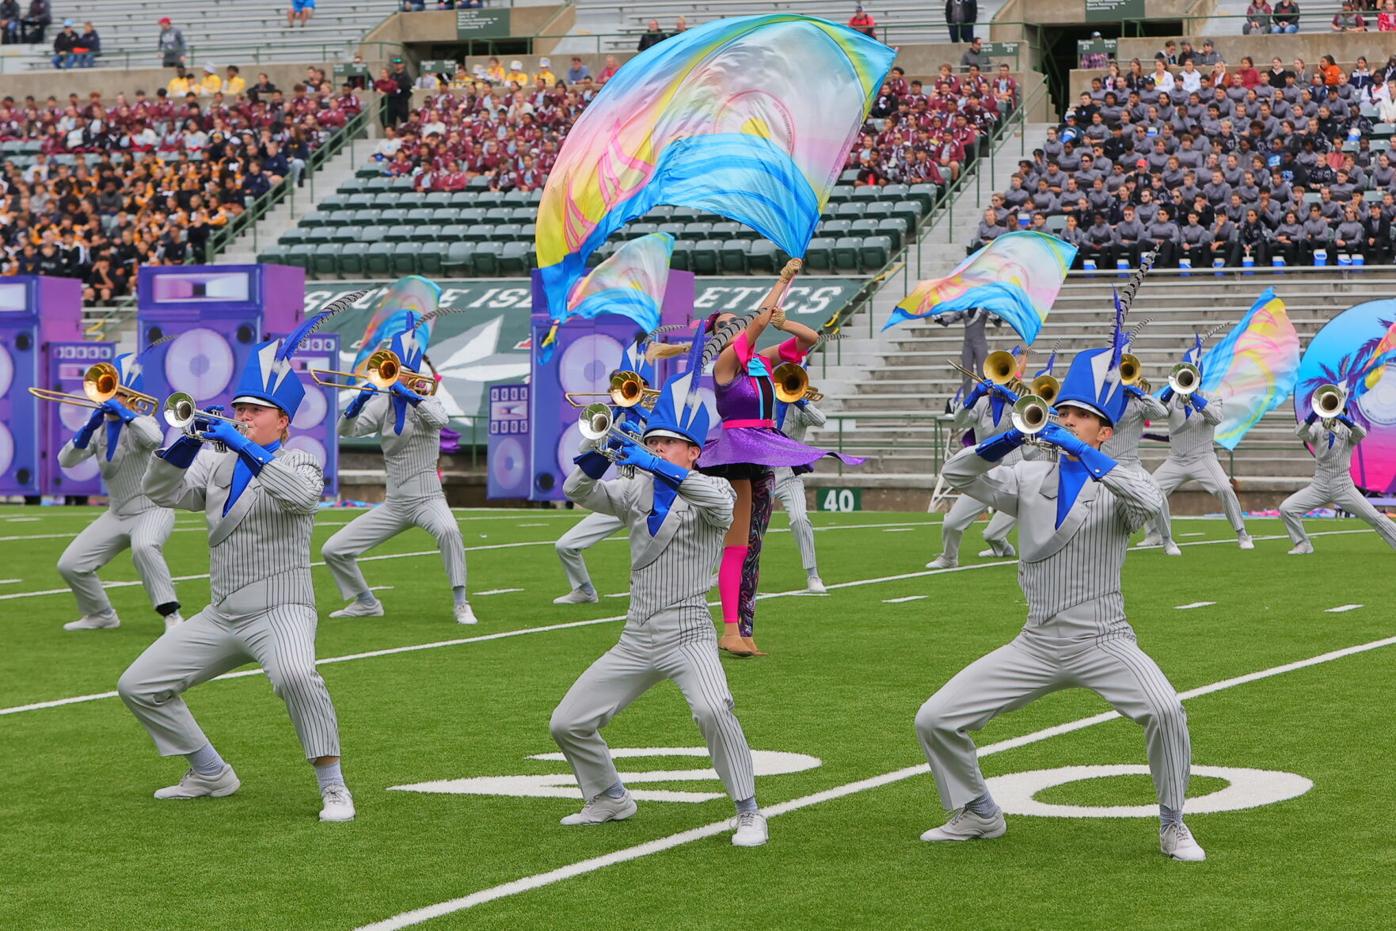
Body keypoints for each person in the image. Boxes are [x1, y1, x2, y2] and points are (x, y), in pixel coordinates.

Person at [915, 338, 1203, 862]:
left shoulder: (1125, 478)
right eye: (1062, 413)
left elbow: (1151, 504)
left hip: (1104, 639)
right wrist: (1009, 438)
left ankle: (1172, 822)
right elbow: (956, 475)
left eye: (1080, 416)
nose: (1066, 420)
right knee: (934, 719)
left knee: (1166, 711)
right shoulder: (1026, 476)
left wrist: (1084, 454)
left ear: (1106, 430)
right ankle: (978, 811)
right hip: (1037, 642)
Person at [116, 315, 354, 822]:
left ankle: (334, 787)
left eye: (255, 411)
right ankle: (209, 771)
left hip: (282, 608)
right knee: (138, 685)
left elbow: (302, 498)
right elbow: (159, 493)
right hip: (223, 613)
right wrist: (184, 442)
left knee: (295, 673)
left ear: (283, 422)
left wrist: (243, 445)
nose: (243, 416)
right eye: (239, 408)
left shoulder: (302, 461)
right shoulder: (213, 461)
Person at [549, 365, 768, 847]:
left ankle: (748, 810)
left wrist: (651, 462)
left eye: (667, 443)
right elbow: (576, 492)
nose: (657, 449)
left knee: (714, 710)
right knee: (567, 723)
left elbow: (712, 499)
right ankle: (608, 796)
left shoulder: (716, 490)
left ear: (693, 452)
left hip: (688, 633)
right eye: (653, 442)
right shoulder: (636, 489)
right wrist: (601, 449)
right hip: (636, 635)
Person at [698, 262, 860, 656]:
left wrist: (785, 323)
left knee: (755, 544)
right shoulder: (725, 364)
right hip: (738, 450)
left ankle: (746, 629)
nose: (737, 328)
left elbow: (809, 339)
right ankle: (730, 628)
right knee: (737, 543)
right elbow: (756, 324)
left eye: (738, 324)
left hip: (764, 447)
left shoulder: (759, 362)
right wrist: (782, 282)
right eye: (728, 325)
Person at [322, 315, 473, 625]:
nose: (395, 377)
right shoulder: (381, 404)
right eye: (393, 370)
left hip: (428, 498)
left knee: (449, 531)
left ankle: (461, 602)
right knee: (333, 549)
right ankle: (365, 601)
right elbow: (345, 430)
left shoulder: (428, 399)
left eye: (402, 372)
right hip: (396, 503)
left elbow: (440, 420)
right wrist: (355, 404)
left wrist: (412, 397)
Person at [55, 354, 183, 632]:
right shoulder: (99, 428)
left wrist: (127, 415)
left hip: (153, 509)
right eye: (108, 391)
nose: (110, 398)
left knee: (144, 546)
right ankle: (100, 615)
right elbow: (66, 460)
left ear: (133, 398)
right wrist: (87, 427)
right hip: (117, 512)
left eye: (119, 393)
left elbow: (154, 439)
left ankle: (172, 616)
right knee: (70, 564)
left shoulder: (145, 421)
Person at [553, 342, 656, 605]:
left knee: (647, 555)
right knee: (565, 545)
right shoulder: (611, 414)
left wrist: (643, 418)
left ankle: (650, 598)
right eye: (618, 387)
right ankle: (584, 591)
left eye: (629, 386)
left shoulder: (656, 414)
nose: (621, 393)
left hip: (649, 493)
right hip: (621, 488)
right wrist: (608, 424)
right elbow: (583, 447)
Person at [1138, 334, 1254, 552]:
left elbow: (1216, 418)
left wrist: (1194, 398)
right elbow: (1156, 414)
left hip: (1203, 457)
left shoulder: (1212, 397)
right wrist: (1171, 390)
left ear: (1199, 378)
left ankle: (1242, 534)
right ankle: (1157, 536)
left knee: (1224, 489)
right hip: (1176, 459)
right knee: (1151, 489)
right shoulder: (1171, 399)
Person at [1281, 394, 1396, 554]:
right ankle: (1302, 544)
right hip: (1319, 485)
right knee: (1287, 509)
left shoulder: (1348, 432)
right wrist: (1314, 413)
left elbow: (1361, 433)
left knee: (1375, 517)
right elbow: (1300, 432)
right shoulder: (1316, 429)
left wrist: (1343, 419)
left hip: (1343, 486)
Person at [772, 388, 828, 594]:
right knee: (744, 524)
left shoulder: (800, 408)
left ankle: (813, 575)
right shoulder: (766, 403)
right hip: (763, 475)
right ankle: (723, 572)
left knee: (800, 519)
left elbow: (821, 420)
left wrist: (802, 402)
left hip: (790, 476)